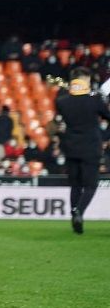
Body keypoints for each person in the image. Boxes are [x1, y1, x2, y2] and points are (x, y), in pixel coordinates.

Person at [53, 67, 110, 234]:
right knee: (91, 184)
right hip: (91, 147)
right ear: (85, 79)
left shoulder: (61, 101)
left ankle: (73, 214)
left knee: (75, 185)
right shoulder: (94, 100)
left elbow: (58, 123)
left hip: (71, 147)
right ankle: (79, 211)